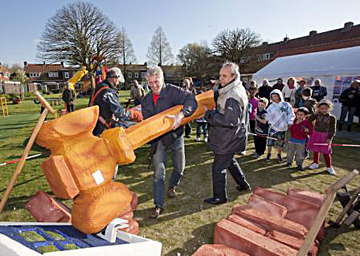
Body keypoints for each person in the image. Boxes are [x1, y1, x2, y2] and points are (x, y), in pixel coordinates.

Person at [141, 66, 197, 218]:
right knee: (159, 173)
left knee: (180, 167)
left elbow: (191, 100)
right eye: (150, 83)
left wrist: (181, 115)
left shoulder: (173, 91)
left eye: (156, 81)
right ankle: (158, 204)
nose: (153, 85)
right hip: (158, 140)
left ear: (162, 79)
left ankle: (173, 185)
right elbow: (147, 122)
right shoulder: (146, 100)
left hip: (175, 136)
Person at [203, 61, 251, 205]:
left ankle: (220, 197)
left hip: (229, 137)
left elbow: (230, 120)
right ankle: (243, 184)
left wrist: (208, 115)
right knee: (229, 161)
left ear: (234, 76)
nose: (221, 79)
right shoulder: (232, 88)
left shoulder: (233, 94)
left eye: (224, 76)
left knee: (218, 168)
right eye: (220, 75)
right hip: (230, 136)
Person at [89, 67, 132, 136]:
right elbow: (118, 111)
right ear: (114, 78)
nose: (118, 84)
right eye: (118, 81)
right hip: (102, 128)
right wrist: (131, 114)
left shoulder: (98, 88)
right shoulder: (108, 91)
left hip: (94, 125)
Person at [265, 89, 295, 162]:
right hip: (273, 127)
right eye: (272, 97)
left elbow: (291, 114)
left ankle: (279, 154)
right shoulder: (271, 106)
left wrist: (289, 122)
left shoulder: (286, 105)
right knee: (270, 142)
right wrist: (267, 119)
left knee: (281, 143)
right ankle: (269, 154)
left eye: (275, 96)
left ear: (279, 96)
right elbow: (267, 115)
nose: (274, 98)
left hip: (282, 128)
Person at [307, 99, 337, 175]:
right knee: (316, 149)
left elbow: (333, 129)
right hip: (316, 134)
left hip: (325, 135)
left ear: (329, 108)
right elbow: (309, 120)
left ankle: (329, 166)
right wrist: (315, 113)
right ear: (319, 108)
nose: (324, 110)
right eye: (322, 108)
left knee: (326, 151)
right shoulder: (317, 115)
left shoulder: (332, 118)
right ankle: (315, 163)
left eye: (325, 108)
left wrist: (329, 138)